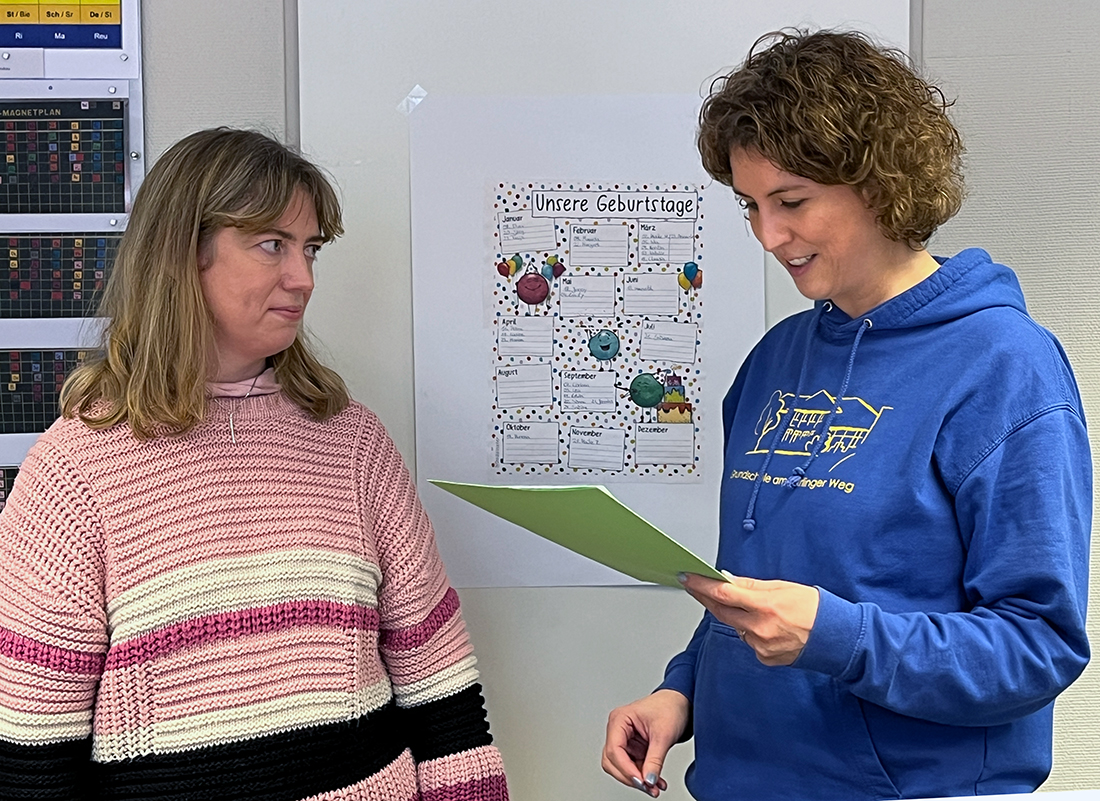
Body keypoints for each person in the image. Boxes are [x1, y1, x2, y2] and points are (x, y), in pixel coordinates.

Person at [603, 29, 1090, 801]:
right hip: (736, 782)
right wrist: (683, 688)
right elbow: (758, 590)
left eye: (791, 201)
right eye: (751, 206)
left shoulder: (1004, 367)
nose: (769, 236)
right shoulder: (774, 361)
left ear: (879, 181)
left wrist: (838, 637)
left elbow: (1038, 646)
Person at [0, 128, 509, 801]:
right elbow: (32, 761)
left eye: (310, 249)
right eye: (272, 244)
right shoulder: (73, 472)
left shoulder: (353, 441)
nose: (303, 278)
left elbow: (441, 692)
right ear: (183, 253)